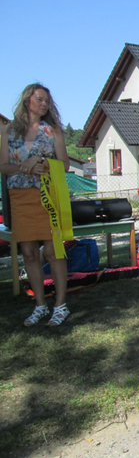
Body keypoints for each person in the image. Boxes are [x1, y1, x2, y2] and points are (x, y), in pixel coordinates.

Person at [0, 84, 70, 326]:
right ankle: (40, 305)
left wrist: (42, 161)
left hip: (48, 197)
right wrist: (25, 167)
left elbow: (65, 165)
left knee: (53, 252)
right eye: (40, 99)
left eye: (47, 101)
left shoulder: (53, 131)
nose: (44, 104)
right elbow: (4, 167)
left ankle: (60, 305)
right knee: (29, 253)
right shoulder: (9, 131)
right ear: (27, 100)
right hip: (20, 198)